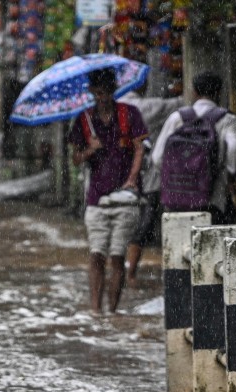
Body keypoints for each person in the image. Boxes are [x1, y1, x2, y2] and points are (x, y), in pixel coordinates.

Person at [68, 68, 148, 314]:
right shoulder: (84, 120)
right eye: (98, 92)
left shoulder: (129, 114)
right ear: (92, 92)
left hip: (125, 198)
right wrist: (90, 150)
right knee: (96, 255)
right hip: (96, 198)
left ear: (113, 91)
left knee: (116, 257)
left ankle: (112, 311)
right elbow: (76, 159)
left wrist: (132, 178)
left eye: (106, 92)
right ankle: (96, 311)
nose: (102, 97)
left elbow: (139, 148)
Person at [150, 71, 236, 226]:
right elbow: (234, 146)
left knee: (180, 243)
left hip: (177, 198)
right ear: (219, 92)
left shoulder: (177, 117)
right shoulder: (227, 119)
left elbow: (157, 157)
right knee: (221, 237)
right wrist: (230, 176)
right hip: (213, 196)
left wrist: (176, 175)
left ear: (194, 92)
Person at [121, 90, 185, 286]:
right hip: (149, 177)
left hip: (122, 179)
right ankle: (131, 273)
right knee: (145, 224)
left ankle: (124, 272)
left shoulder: (108, 114)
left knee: (129, 225)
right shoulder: (147, 106)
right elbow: (182, 102)